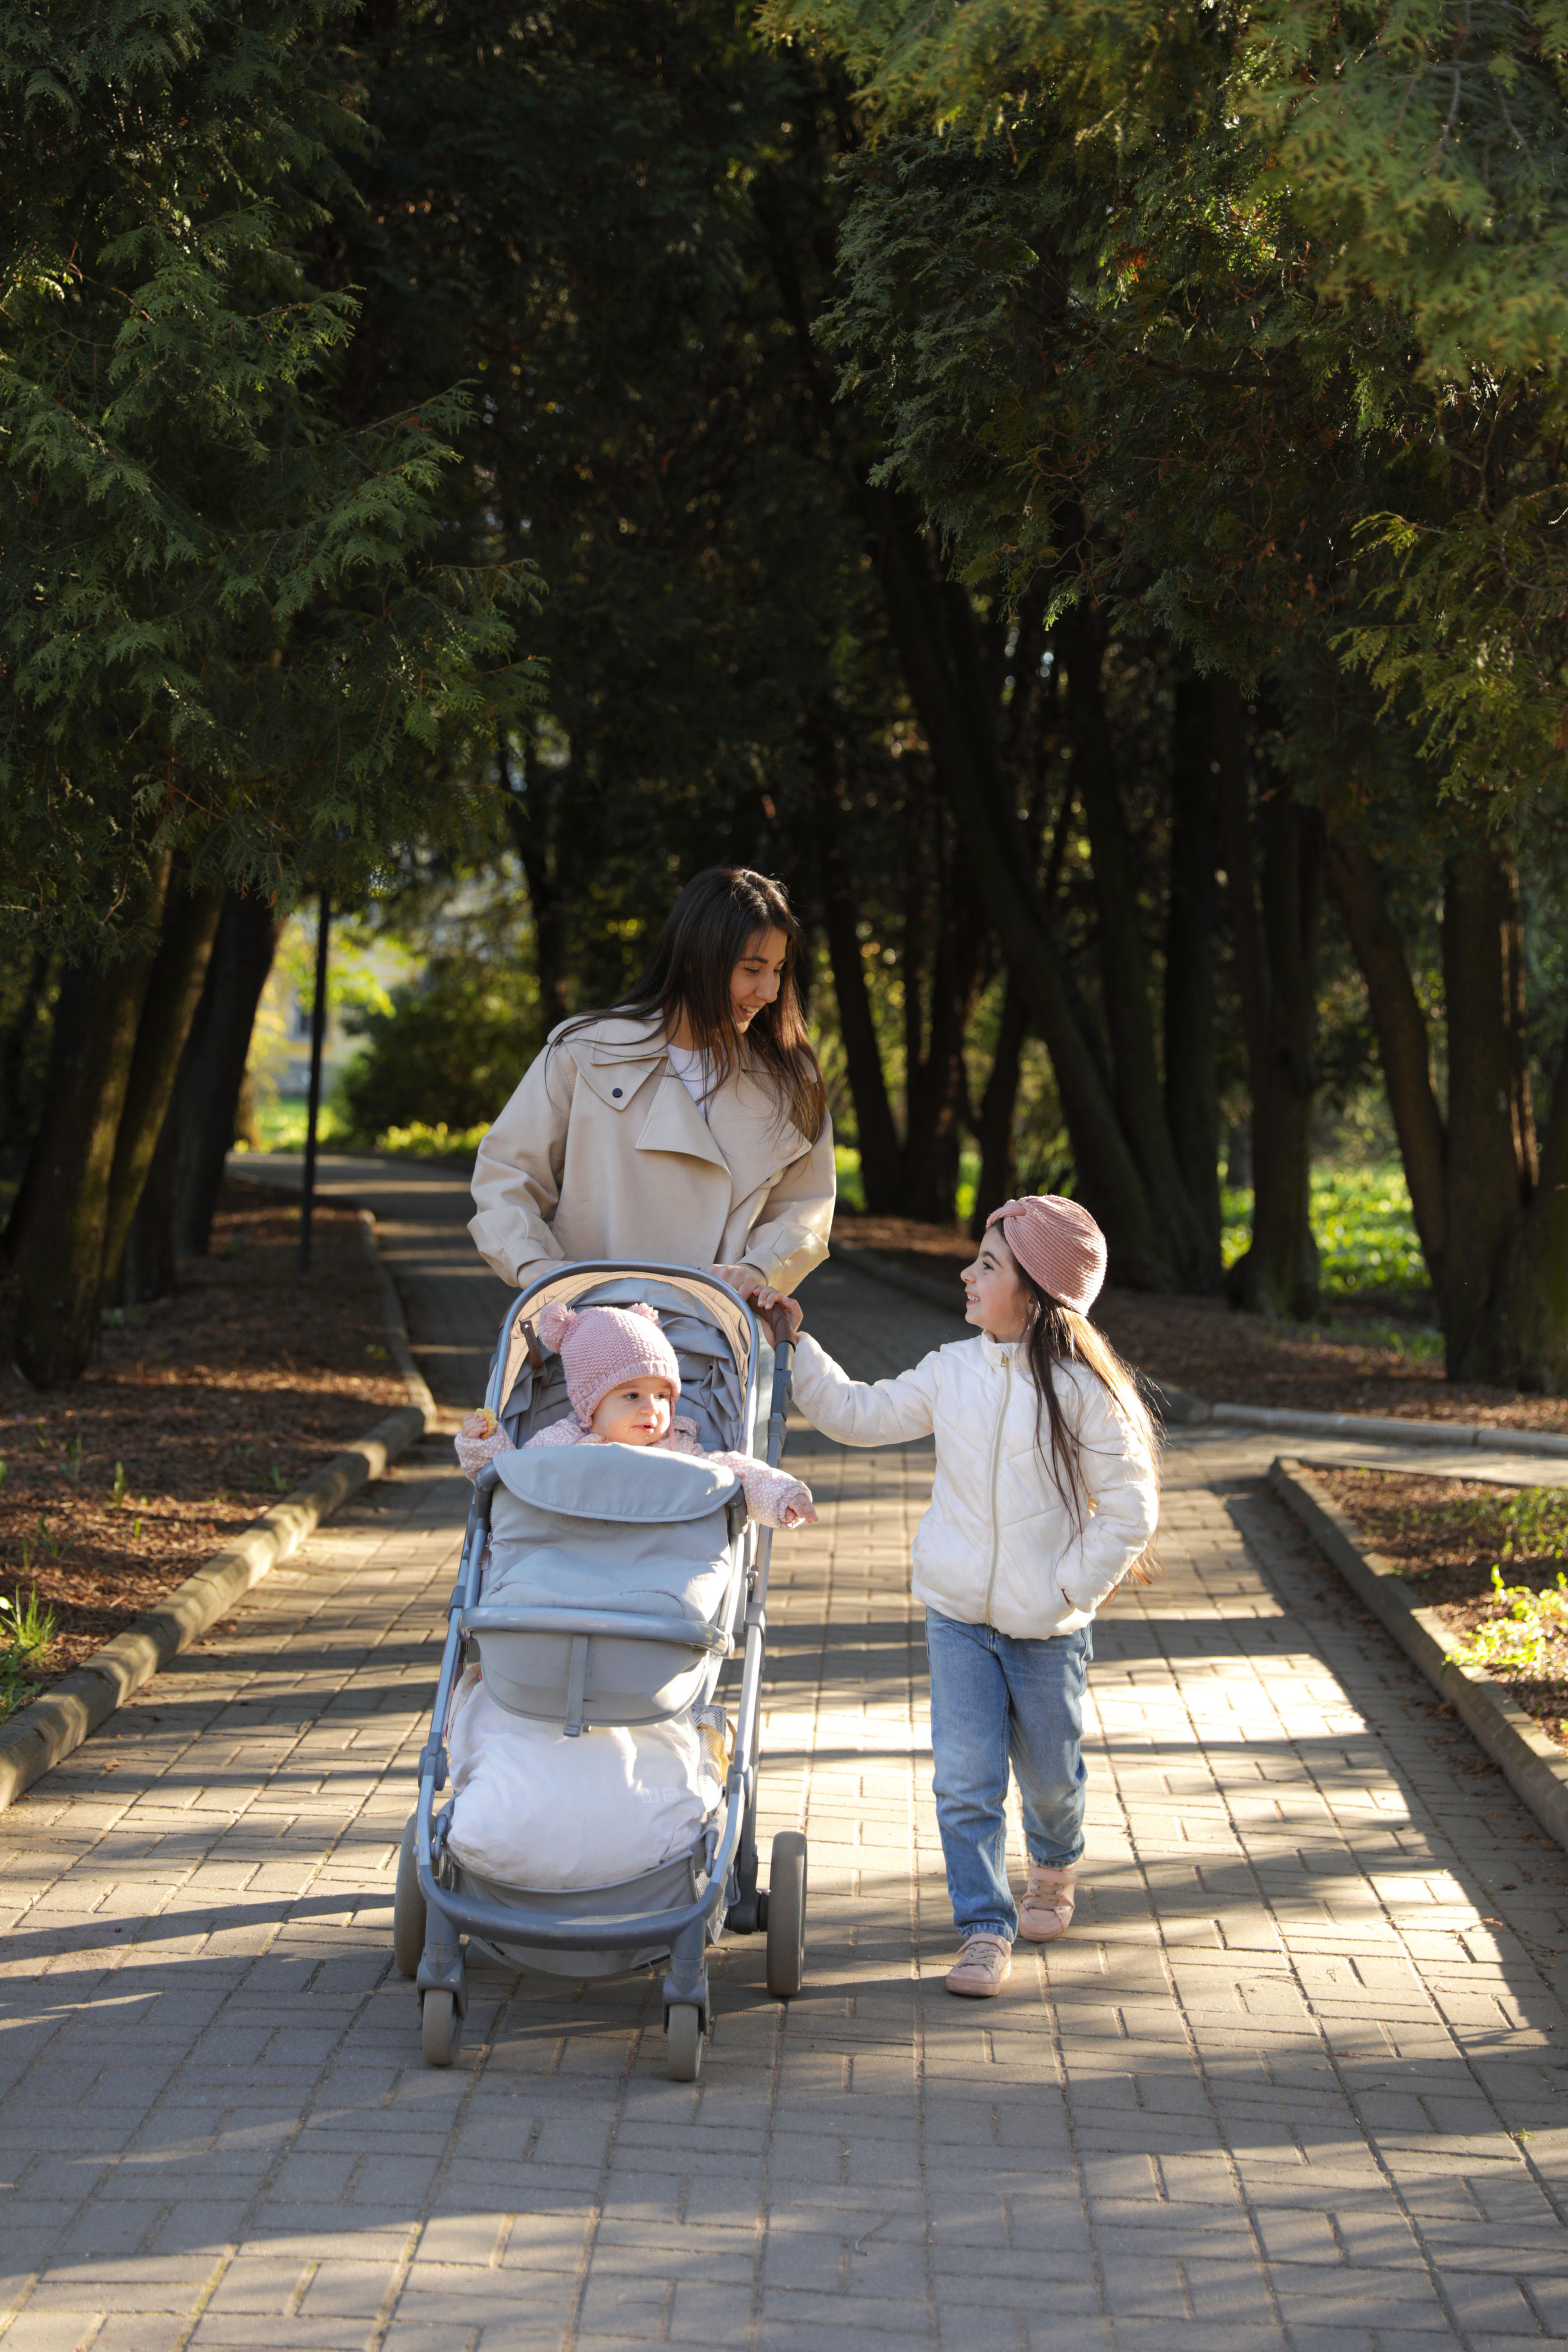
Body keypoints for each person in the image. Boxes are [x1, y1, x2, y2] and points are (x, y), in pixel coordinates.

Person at [777, 1194, 1158, 1999]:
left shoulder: (1086, 1391)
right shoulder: (951, 1370)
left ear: (1038, 1291)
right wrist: (796, 1344)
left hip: (1048, 1630)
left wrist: (1068, 1587)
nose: (966, 1272)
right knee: (965, 1780)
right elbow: (858, 1412)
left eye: (988, 1263)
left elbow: (1131, 1509)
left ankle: (1054, 1868)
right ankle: (985, 1928)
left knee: (1051, 1776)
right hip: (958, 1620)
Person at [469, 867, 834, 1310]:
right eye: (752, 970)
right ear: (695, 958)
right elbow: (506, 1175)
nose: (770, 991)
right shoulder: (586, 1053)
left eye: (778, 970)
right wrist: (538, 1272)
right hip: (592, 1339)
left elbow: (805, 1207)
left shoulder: (790, 1081)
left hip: (718, 1344)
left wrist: (760, 1268)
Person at [456, 1298, 816, 1529]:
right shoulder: (560, 1444)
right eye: (631, 1395)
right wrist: (484, 1445)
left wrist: (782, 1493)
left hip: (657, 1564)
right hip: (568, 1558)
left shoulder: (679, 1449)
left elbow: (736, 1471)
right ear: (590, 1404)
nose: (652, 1409)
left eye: (662, 1396)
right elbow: (511, 1481)